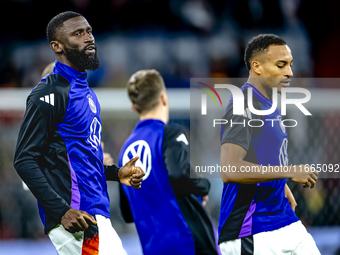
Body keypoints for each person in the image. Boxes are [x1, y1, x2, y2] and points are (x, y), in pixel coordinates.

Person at [13, 11, 144, 255]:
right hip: (78, 216)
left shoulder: (87, 93)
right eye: (78, 33)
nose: (88, 38)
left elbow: (77, 161)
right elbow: (24, 159)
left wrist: (117, 173)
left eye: (89, 31)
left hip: (94, 212)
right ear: (57, 46)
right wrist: (61, 210)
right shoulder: (51, 91)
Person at [218, 34, 320, 254]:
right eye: (281, 65)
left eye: (291, 65)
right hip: (252, 228)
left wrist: (281, 184)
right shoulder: (243, 103)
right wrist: (288, 172)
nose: (290, 72)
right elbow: (230, 168)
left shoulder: (268, 104)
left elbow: (260, 157)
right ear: (257, 66)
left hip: (282, 218)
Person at [119, 69, 220, 255]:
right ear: (164, 98)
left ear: (134, 107)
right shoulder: (171, 135)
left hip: (153, 247)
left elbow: (127, 211)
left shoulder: (125, 151)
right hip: (188, 241)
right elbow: (179, 176)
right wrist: (202, 186)